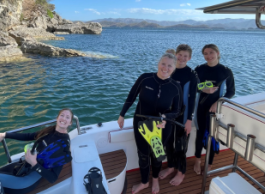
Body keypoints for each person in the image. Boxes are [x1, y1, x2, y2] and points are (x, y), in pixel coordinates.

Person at [117, 53, 183, 194]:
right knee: (143, 154)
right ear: (158, 63)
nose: (165, 68)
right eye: (163, 64)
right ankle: (144, 182)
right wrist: (122, 114)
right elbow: (131, 96)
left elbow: (177, 110)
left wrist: (165, 117)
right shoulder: (145, 78)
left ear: (174, 68)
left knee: (156, 154)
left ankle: (155, 179)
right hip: (141, 123)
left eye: (169, 65)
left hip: (161, 126)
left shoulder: (175, 86)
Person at [0, 108, 73, 194]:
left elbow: (53, 178)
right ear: (57, 118)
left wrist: (34, 163)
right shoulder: (49, 131)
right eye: (62, 115)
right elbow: (28, 136)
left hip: (27, 180)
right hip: (24, 166)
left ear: (70, 123)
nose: (64, 118)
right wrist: (5, 135)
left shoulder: (63, 145)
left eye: (67, 117)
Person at [159, 44, 198, 186]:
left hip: (183, 115)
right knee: (168, 142)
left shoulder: (191, 75)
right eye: (179, 55)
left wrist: (189, 120)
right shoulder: (170, 70)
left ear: (189, 58)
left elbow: (192, 98)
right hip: (169, 114)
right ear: (175, 55)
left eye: (185, 56)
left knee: (181, 145)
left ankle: (181, 172)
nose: (181, 58)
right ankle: (170, 167)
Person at [193, 44, 235, 175]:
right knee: (200, 135)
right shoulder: (199, 69)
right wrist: (204, 89)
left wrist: (218, 102)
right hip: (201, 107)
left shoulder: (225, 71)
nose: (208, 56)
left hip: (215, 109)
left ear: (217, 53)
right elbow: (193, 87)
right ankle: (197, 160)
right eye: (205, 53)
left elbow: (231, 92)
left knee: (212, 136)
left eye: (211, 52)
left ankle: (209, 163)